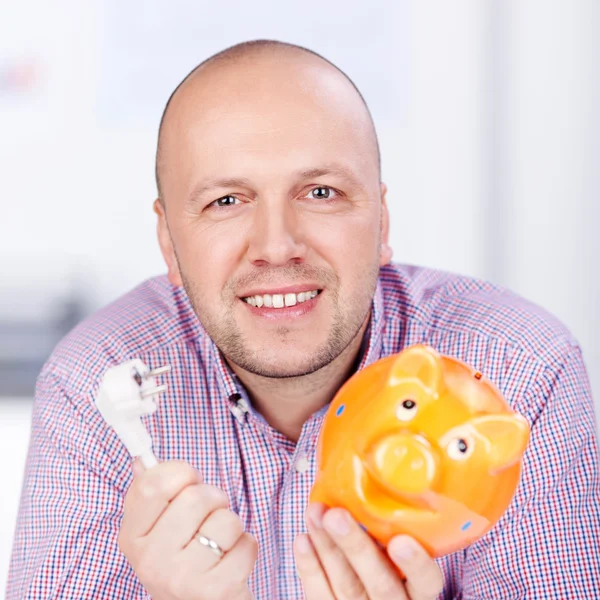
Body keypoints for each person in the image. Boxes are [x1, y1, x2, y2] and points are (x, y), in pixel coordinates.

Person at [7, 39, 599, 600]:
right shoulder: (92, 381)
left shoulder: (518, 372)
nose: (276, 245)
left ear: (382, 224)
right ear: (169, 241)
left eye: (320, 192)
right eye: (227, 202)